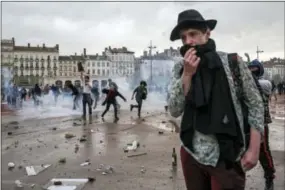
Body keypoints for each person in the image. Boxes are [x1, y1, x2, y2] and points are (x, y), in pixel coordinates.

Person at [168, 9, 264, 190]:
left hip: (227, 154)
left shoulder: (231, 62)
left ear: (207, 33)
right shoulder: (180, 68)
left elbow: (256, 104)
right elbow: (174, 109)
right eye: (183, 37)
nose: (188, 41)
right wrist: (187, 75)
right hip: (192, 152)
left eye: (193, 34)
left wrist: (254, 149)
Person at [248, 60, 275, 190]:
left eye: (254, 69)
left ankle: (270, 177)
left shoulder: (265, 84)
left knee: (263, 152)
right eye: (250, 69)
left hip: (261, 123)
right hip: (247, 124)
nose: (252, 71)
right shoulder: (247, 83)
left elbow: (255, 84)